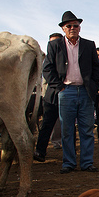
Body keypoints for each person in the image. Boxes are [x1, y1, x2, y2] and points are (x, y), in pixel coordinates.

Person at [42, 11, 99, 174]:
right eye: (69, 26)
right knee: (67, 129)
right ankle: (68, 163)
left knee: (87, 129)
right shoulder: (55, 45)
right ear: (63, 28)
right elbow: (46, 69)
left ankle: (87, 163)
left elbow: (97, 68)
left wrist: (93, 83)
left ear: (80, 28)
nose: (73, 28)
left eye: (76, 25)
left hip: (85, 91)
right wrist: (59, 86)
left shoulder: (89, 45)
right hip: (66, 91)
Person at [34, 33, 63, 162]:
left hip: (67, 95)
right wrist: (60, 87)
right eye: (52, 43)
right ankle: (40, 151)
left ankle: (70, 153)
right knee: (46, 124)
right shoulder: (47, 60)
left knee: (68, 125)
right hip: (50, 96)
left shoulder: (67, 58)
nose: (54, 45)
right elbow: (47, 75)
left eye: (57, 42)